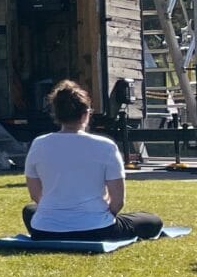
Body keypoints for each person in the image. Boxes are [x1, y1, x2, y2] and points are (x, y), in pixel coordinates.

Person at [21, 80, 163, 241]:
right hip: (96, 228)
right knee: (152, 220)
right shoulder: (105, 146)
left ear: (56, 115)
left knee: (30, 210)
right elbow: (118, 201)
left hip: (45, 230)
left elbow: (35, 194)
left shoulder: (39, 143)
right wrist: (99, 216)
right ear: (86, 114)